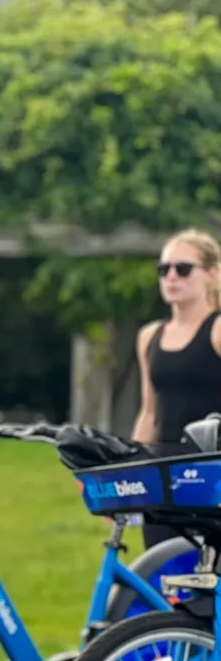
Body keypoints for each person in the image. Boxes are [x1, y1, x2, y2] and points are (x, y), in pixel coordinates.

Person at [132, 227, 221, 551]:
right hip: (162, 475)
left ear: (211, 274)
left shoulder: (217, 329)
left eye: (183, 269)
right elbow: (149, 412)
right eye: (164, 269)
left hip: (210, 471)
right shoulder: (149, 337)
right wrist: (129, 472)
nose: (171, 277)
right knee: (162, 576)